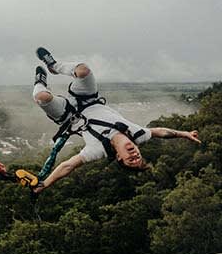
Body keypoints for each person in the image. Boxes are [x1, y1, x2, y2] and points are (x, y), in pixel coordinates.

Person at [32, 47, 201, 193]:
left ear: (119, 157)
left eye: (131, 159)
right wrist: (184, 134)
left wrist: (45, 184)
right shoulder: (138, 135)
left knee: (42, 96)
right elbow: (160, 132)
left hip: (69, 116)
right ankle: (54, 66)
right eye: (138, 156)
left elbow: (68, 166)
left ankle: (40, 82)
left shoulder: (99, 150)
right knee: (83, 70)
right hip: (88, 99)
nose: (135, 154)